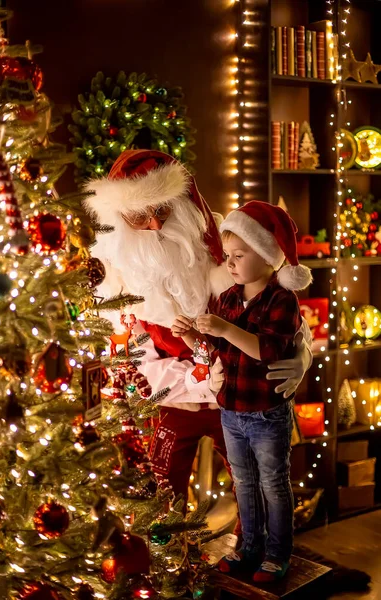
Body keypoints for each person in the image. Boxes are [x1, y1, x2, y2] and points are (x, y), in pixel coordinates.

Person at [83, 149, 312, 511]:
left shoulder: (222, 250)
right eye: (140, 215)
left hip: (240, 402)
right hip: (175, 405)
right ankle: (167, 558)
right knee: (161, 493)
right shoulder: (117, 284)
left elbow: (275, 305)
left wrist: (301, 350)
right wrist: (197, 379)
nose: (156, 225)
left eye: (163, 210)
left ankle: (257, 551)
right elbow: (133, 366)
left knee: (258, 489)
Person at [172, 201, 312, 582]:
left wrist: (225, 329)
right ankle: (249, 546)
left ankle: (277, 553)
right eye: (228, 256)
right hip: (231, 411)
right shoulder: (229, 297)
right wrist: (190, 335)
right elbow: (216, 352)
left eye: (239, 255)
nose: (230, 263)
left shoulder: (282, 300)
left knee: (273, 484)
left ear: (268, 257)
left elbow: (268, 350)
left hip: (266, 413)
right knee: (245, 483)